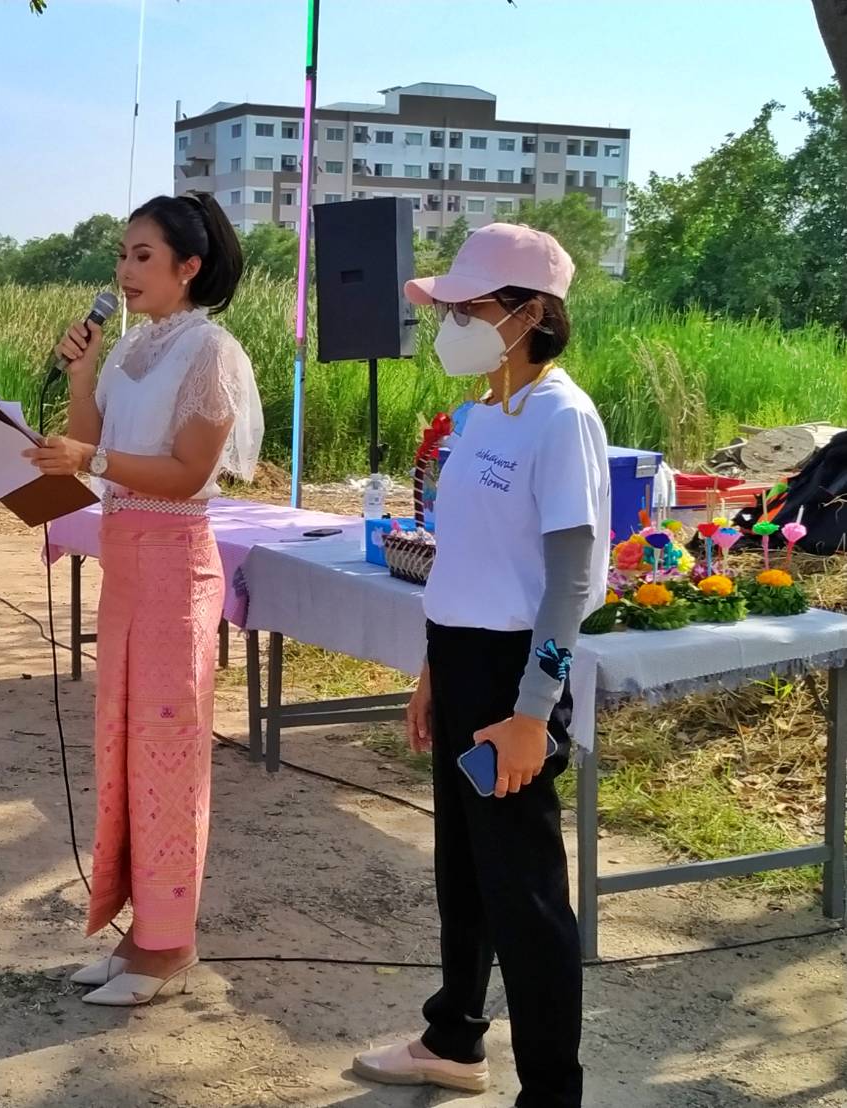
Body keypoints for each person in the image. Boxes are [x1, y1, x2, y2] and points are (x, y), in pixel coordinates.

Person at [352, 224, 607, 1107]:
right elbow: (463, 558)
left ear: (530, 313)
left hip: (513, 677)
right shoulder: (478, 415)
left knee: (526, 899)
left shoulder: (560, 416)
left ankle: (551, 1093)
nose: (450, 322)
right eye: (448, 308)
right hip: (461, 659)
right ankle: (452, 1036)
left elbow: (570, 580)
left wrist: (533, 707)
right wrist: (431, 671)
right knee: (461, 871)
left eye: (469, 307)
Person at [25, 191, 262, 1007]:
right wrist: (82, 372)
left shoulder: (210, 351)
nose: (124, 272)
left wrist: (91, 455)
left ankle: (170, 945)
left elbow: (188, 471)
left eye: (142, 256)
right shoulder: (129, 351)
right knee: (124, 749)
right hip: (125, 561)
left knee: (169, 755)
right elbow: (91, 445)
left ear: (188, 268)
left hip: (174, 562)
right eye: (122, 255)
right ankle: (137, 932)